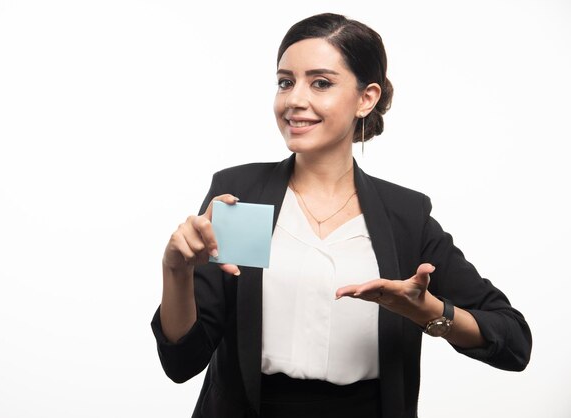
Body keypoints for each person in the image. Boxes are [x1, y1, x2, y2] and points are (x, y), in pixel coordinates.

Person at [151, 12, 532, 418]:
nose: (295, 99)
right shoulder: (243, 199)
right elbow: (182, 363)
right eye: (285, 82)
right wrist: (176, 272)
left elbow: (513, 342)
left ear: (366, 98)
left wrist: (431, 314)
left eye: (320, 82)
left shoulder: (403, 215)